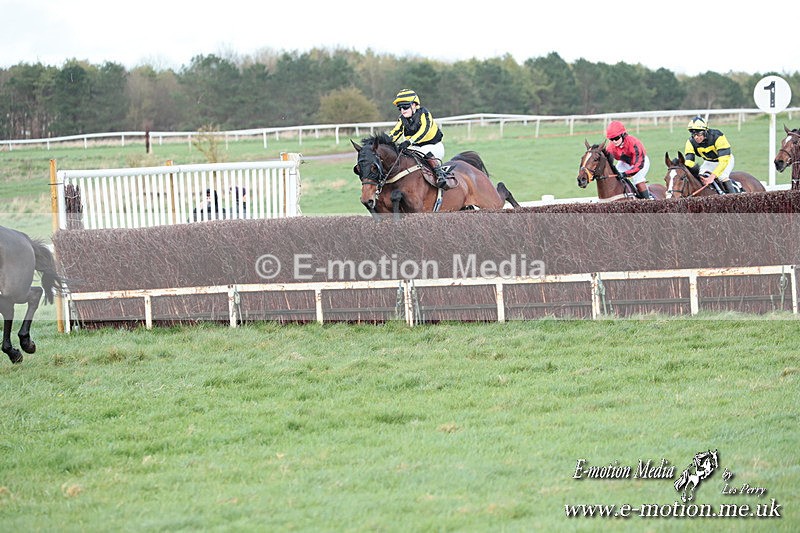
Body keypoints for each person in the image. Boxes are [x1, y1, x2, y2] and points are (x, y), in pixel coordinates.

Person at [388, 89, 451, 188]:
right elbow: (395, 132)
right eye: (399, 108)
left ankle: (440, 176)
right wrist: (383, 142)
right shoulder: (402, 119)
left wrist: (409, 141)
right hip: (416, 148)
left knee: (426, 154)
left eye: (405, 107)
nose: (402, 110)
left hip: (433, 146)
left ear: (414, 105)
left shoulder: (424, 113)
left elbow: (424, 130)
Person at [683, 116, 738, 194]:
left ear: (705, 131)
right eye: (694, 134)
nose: (696, 137)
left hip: (725, 160)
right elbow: (689, 162)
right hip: (708, 162)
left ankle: (733, 199)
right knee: (699, 178)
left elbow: (723, 161)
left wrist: (712, 177)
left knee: (722, 177)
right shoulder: (690, 142)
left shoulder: (718, 137)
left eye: (699, 134)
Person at [604, 120, 654, 199]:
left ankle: (647, 201)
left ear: (623, 135)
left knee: (638, 179)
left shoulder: (634, 143)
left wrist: (625, 174)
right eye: (611, 139)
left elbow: (638, 165)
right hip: (625, 163)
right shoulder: (610, 147)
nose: (614, 141)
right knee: (615, 177)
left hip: (641, 163)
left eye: (616, 138)